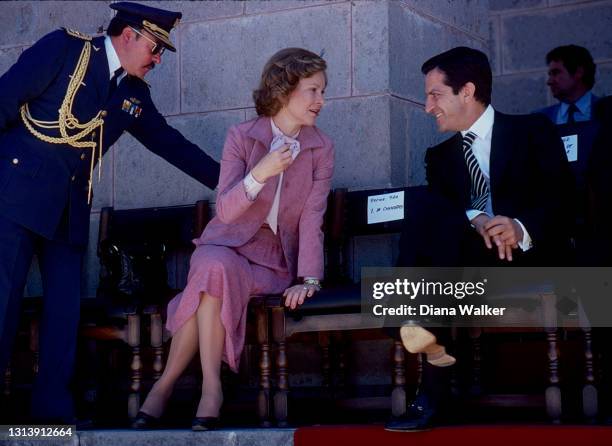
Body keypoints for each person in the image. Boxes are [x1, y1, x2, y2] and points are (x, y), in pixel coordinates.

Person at [0, 2, 220, 423]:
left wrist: (242, 181)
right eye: (155, 49)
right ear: (129, 35)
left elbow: (172, 146)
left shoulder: (133, 93)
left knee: (64, 316)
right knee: (3, 305)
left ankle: (51, 420)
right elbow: (5, 101)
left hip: (67, 210)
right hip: (14, 197)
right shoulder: (64, 50)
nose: (157, 60)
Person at [132, 47, 333, 431]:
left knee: (210, 281)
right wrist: (260, 172)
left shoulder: (321, 147)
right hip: (225, 243)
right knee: (214, 266)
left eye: (323, 91)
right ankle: (211, 387)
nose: (321, 101)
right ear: (284, 89)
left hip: (271, 261)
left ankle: (165, 385)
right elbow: (224, 210)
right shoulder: (241, 137)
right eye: (313, 90)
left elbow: (313, 217)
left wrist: (309, 278)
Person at [386, 47, 572, 431]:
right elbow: (442, 223)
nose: (427, 106)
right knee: (428, 209)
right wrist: (477, 219)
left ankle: (409, 327)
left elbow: (564, 203)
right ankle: (432, 375)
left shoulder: (533, 131)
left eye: (435, 95)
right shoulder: (439, 157)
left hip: (527, 256)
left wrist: (518, 227)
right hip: (463, 261)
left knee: (432, 216)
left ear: (467, 91)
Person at [537, 45, 599, 125]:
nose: (549, 81)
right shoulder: (540, 119)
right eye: (550, 74)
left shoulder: (607, 112)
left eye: (556, 73)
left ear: (578, 72)